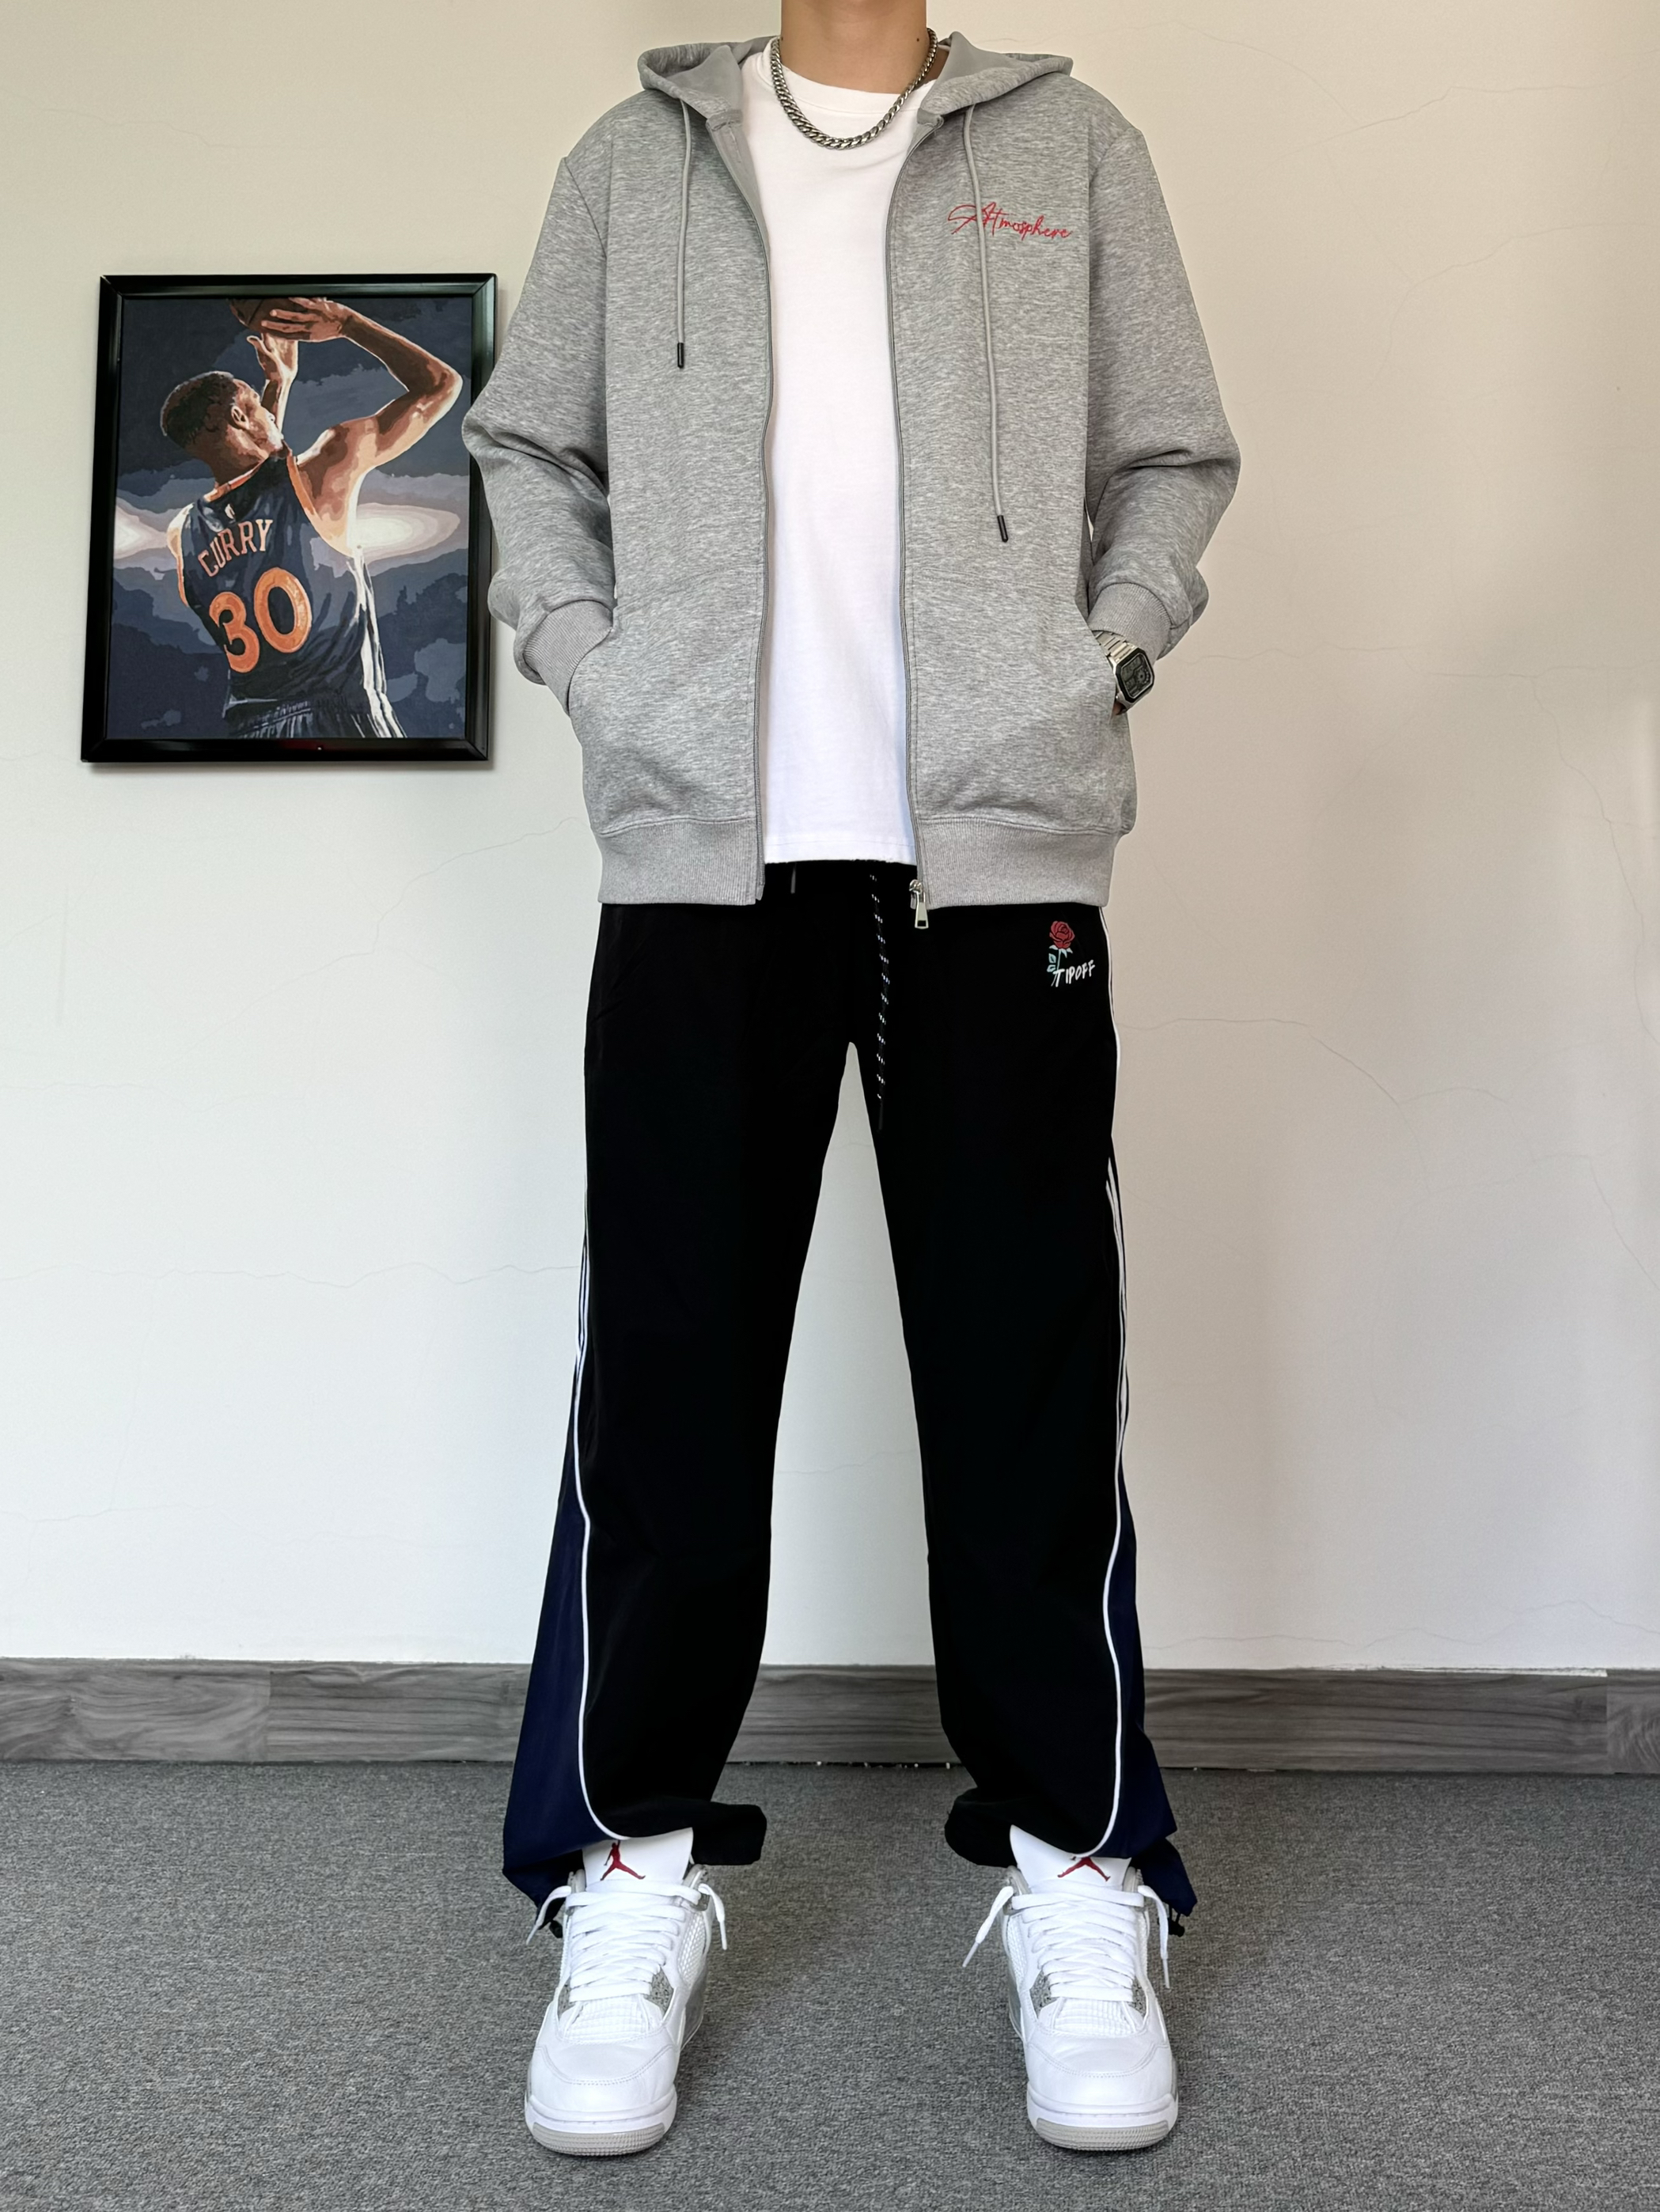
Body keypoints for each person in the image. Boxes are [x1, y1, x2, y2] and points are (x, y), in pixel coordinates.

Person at [464, 0, 1237, 2161]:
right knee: (671, 1377)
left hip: (990, 859)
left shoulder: (1066, 149)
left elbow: (1172, 452)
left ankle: (1079, 1866)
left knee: (1023, 1376)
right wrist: (599, 670)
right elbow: (526, 448)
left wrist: (1096, 657)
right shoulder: (636, 161)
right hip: (703, 855)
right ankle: (626, 1865)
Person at [163, 297, 461, 745]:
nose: (269, 413)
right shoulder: (328, 465)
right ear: (239, 417)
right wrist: (347, 323)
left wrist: (277, 386)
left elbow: (260, 486)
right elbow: (440, 385)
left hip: (250, 736)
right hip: (343, 719)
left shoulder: (182, 534)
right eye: (256, 406)